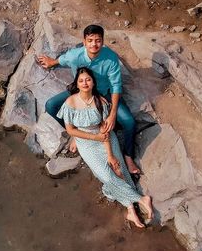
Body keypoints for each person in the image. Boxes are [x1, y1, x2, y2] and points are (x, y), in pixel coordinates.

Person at [38, 24, 140, 176]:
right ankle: (75, 133)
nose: (94, 44)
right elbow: (63, 59)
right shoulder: (76, 55)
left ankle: (128, 156)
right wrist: (52, 62)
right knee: (51, 105)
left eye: (98, 40)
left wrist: (112, 115)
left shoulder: (110, 57)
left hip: (104, 93)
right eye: (90, 40)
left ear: (103, 41)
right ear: (84, 42)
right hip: (82, 91)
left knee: (129, 121)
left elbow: (116, 85)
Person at [57, 67, 153, 228]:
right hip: (86, 143)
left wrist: (110, 156)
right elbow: (71, 130)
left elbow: (105, 132)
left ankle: (130, 209)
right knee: (107, 177)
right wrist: (93, 137)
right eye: (81, 81)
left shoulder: (100, 101)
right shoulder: (70, 102)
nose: (85, 83)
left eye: (88, 79)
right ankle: (140, 199)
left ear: (93, 82)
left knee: (118, 170)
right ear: (77, 84)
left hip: (106, 139)